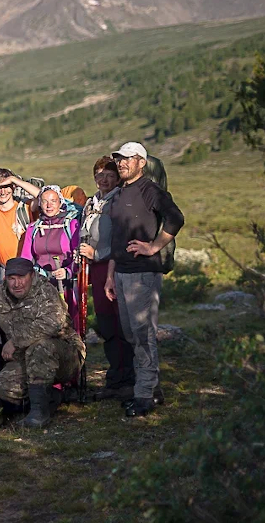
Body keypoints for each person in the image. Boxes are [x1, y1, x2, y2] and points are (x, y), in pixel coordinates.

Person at [106, 142, 185, 417]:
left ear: (141, 162)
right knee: (131, 334)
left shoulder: (150, 190)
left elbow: (176, 218)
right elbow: (117, 238)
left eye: (127, 159)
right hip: (122, 272)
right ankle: (152, 388)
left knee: (142, 334)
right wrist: (110, 276)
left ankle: (143, 396)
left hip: (143, 273)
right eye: (119, 159)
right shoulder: (119, 193)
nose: (121, 163)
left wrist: (153, 247)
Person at [0, 258, 86, 428]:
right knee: (4, 388)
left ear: (32, 275)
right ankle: (52, 397)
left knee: (41, 346)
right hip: (25, 358)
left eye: (22, 277)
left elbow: (53, 323)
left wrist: (16, 341)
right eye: (11, 278)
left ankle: (39, 413)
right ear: (5, 278)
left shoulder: (45, 290)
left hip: (64, 354)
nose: (17, 284)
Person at [80, 157, 133, 401]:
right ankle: (115, 378)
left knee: (121, 324)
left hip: (115, 268)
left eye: (110, 175)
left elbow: (122, 240)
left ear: (118, 177)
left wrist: (96, 254)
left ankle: (128, 379)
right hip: (96, 272)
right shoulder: (92, 202)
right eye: (99, 174)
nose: (104, 179)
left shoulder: (120, 200)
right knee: (107, 324)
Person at [21, 185, 82, 333]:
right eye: (45, 201)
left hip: (66, 286)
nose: (49, 205)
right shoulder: (33, 228)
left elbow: (79, 256)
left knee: (69, 328)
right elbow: (26, 259)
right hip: (41, 286)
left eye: (53, 201)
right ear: (40, 204)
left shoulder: (72, 224)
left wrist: (67, 271)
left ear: (60, 203)